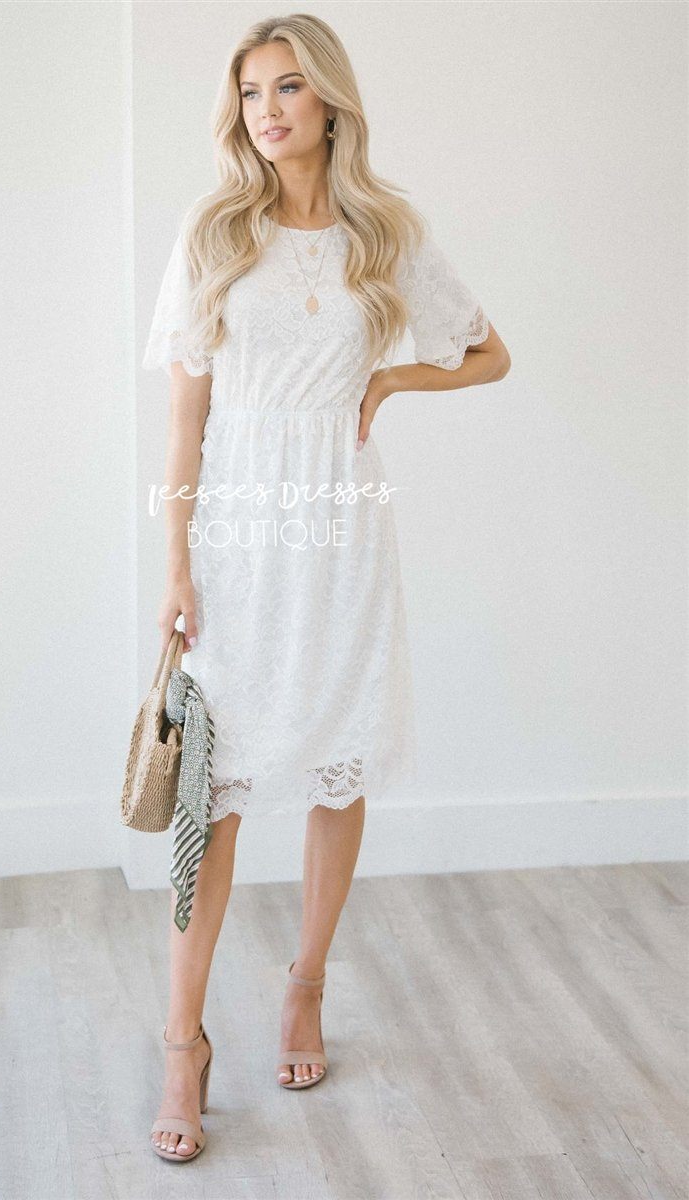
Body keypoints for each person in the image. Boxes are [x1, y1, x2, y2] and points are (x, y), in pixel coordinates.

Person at [142, 13, 511, 1163]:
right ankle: (182, 1042)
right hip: (239, 531)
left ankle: (304, 984)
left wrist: (391, 380)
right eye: (252, 91)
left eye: (290, 87)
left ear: (330, 102)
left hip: (343, 528)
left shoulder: (381, 231)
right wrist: (176, 560)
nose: (268, 109)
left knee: (335, 762)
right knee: (213, 790)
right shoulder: (213, 233)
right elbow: (187, 416)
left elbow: (488, 353)